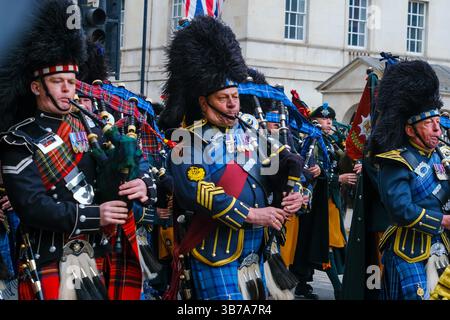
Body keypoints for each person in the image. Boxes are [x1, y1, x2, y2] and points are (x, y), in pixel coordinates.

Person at [0, 0, 152, 300]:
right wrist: (96, 215)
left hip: (102, 253)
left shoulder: (94, 127)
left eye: (71, 81)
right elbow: (33, 206)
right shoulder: (19, 140)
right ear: (36, 88)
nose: (68, 89)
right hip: (51, 256)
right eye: (58, 81)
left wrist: (142, 183)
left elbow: (138, 163)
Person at [158, 16, 306, 300]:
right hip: (215, 249)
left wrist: (295, 191)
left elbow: (283, 165)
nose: (232, 104)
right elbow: (196, 191)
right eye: (224, 97)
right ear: (204, 102)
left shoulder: (252, 132)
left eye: (235, 96)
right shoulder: (186, 139)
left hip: (256, 251)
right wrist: (251, 214)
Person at [369, 60, 450, 300]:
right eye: (428, 123)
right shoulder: (395, 161)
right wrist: (443, 221)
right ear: (409, 130)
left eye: (438, 123)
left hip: (440, 247)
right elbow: (400, 209)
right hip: (407, 250)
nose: (437, 130)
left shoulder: (441, 155)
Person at [291, 103, 355, 300]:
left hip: (330, 198)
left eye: (330, 119)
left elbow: (337, 164)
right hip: (317, 200)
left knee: (317, 242)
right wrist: (338, 179)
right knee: (325, 243)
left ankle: (302, 284)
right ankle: (338, 288)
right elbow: (309, 170)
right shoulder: (311, 140)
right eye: (324, 119)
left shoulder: (329, 141)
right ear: (313, 121)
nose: (329, 122)